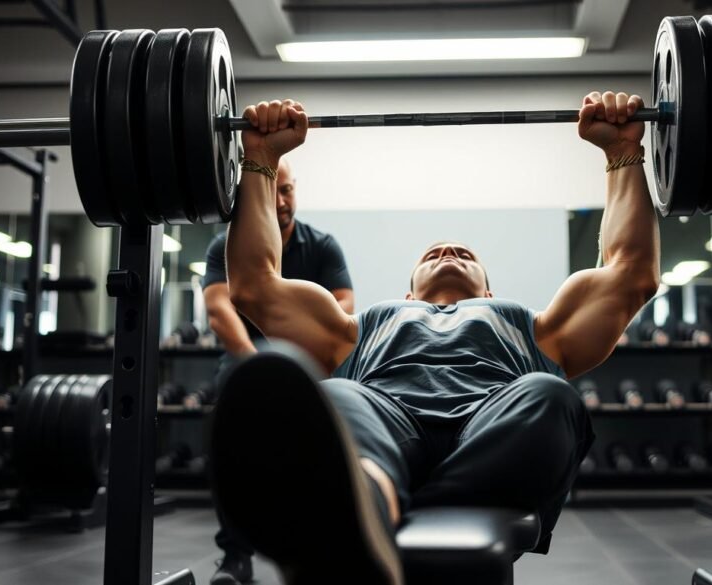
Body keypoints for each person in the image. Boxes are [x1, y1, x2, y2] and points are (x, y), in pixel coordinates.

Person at [215, 91, 660, 585]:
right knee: (338, 394)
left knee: (550, 396)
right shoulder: (358, 327)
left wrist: (623, 153)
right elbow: (254, 286)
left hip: (494, 423)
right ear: (408, 294)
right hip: (387, 419)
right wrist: (259, 160)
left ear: (490, 291)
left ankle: (374, 513)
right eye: (434, 252)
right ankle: (369, 503)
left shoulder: (533, 326)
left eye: (462, 251)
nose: (448, 249)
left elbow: (631, 275)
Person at [201, 157, 354, 585]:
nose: (282, 199)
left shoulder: (322, 245)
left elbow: (344, 307)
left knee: (336, 424)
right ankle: (235, 556)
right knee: (230, 413)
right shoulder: (222, 246)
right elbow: (219, 310)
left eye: (287, 190)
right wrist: (257, 365)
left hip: (306, 355)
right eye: (273, 190)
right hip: (245, 354)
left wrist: (302, 353)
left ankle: (325, 545)